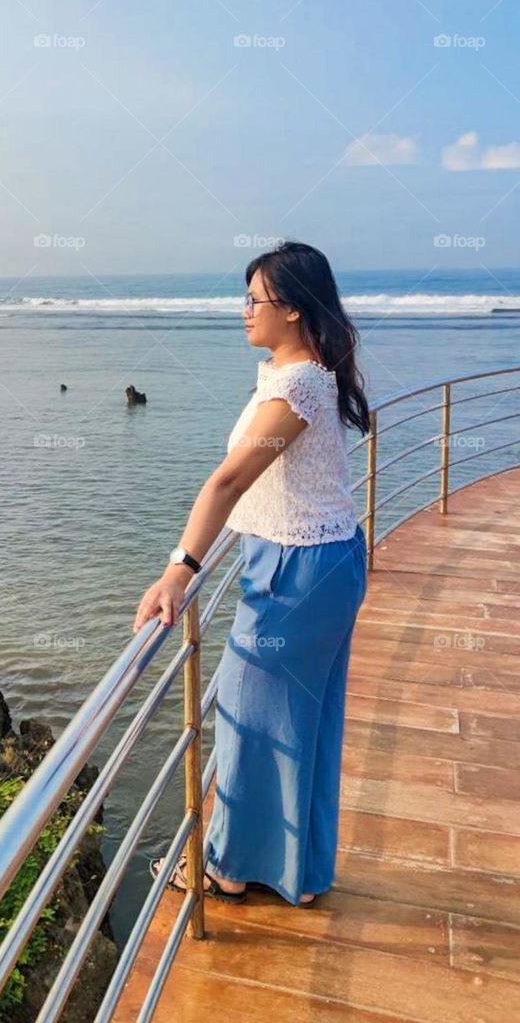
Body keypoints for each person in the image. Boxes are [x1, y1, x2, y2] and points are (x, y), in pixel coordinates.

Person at [133, 241, 370, 907]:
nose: (243, 311)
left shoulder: (298, 386)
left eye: (254, 300)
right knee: (288, 720)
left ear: (292, 310)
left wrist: (179, 569)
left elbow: (231, 478)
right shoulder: (285, 371)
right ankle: (290, 868)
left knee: (250, 714)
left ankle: (232, 867)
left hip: (305, 570)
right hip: (299, 558)